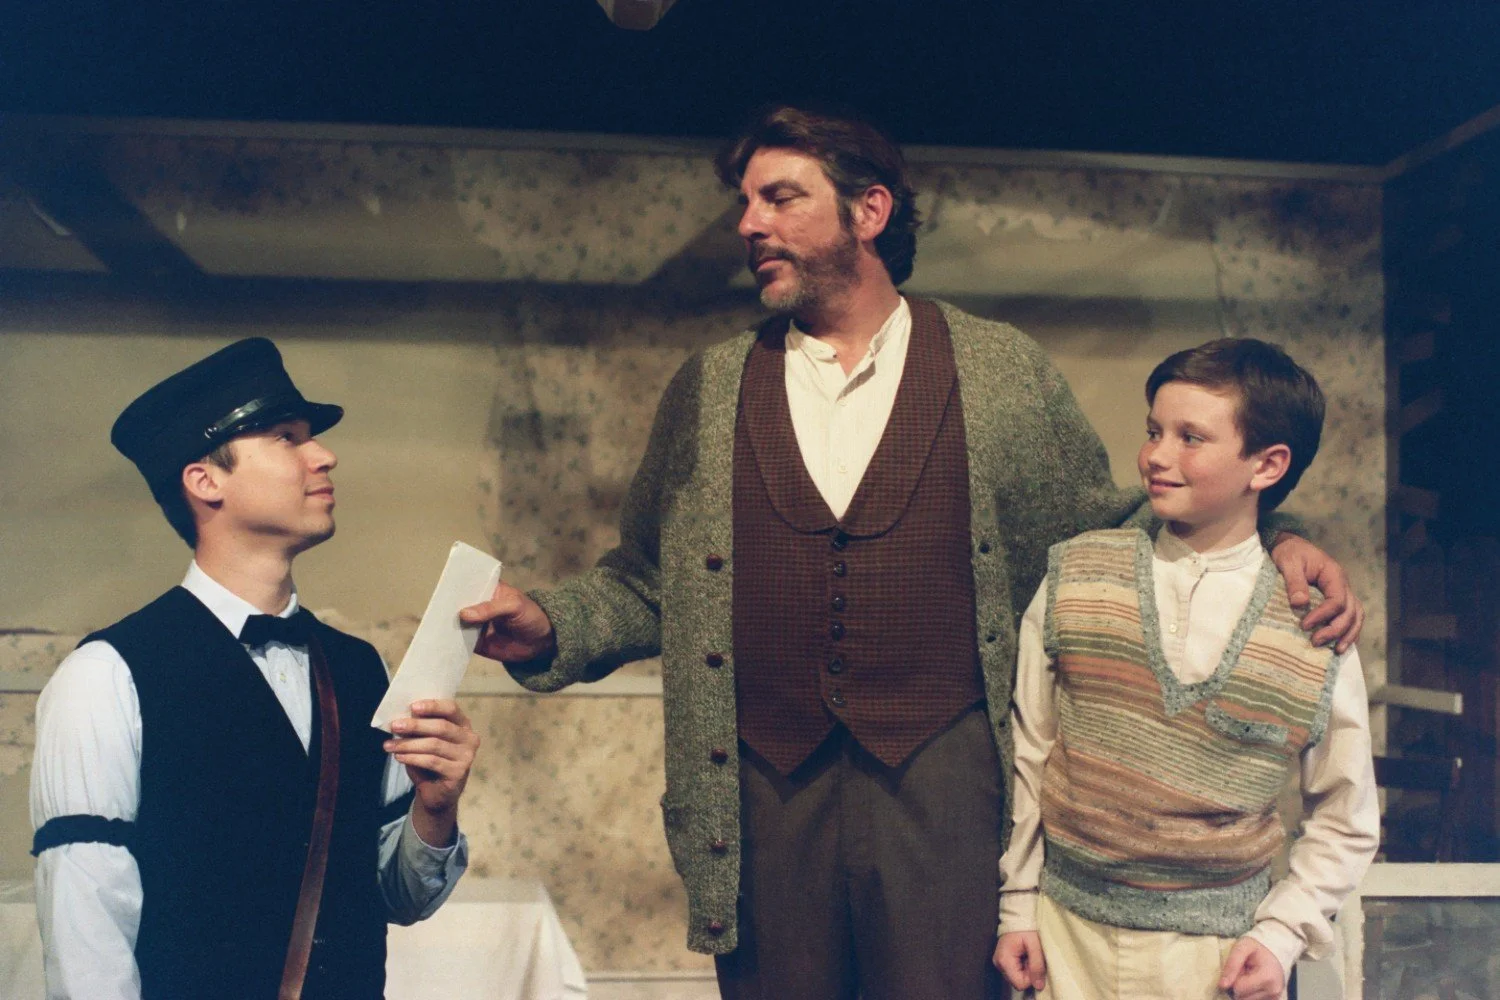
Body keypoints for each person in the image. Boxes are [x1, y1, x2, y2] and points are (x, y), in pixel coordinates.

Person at [460, 105, 1363, 1000]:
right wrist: (550, 624)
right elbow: (649, 583)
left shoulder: (1001, 373)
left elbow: (1117, 530)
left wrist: (1276, 539)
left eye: (780, 198)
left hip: (945, 803)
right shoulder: (709, 389)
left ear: (870, 211)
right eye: (747, 203)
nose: (749, 225)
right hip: (765, 800)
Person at [30, 338, 480, 1000]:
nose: (323, 455)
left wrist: (436, 812)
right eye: (286, 437)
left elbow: (399, 899)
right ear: (205, 479)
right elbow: (85, 942)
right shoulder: (106, 675)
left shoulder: (359, 669)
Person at [993, 339, 1379, 1000]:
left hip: (1217, 960)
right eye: (1153, 431)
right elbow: (1031, 754)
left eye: (1190, 437)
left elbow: (1347, 814)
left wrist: (1280, 934)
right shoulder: (1078, 576)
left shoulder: (1312, 626)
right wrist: (1018, 905)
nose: (1156, 456)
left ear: (1267, 464)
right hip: (1067, 940)